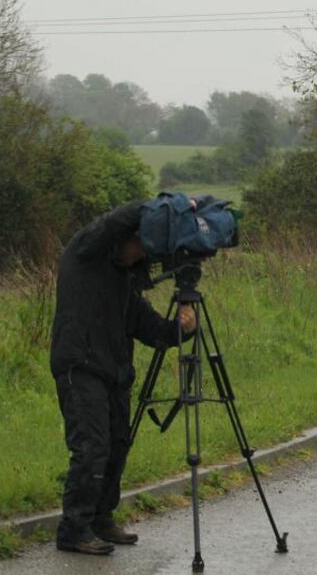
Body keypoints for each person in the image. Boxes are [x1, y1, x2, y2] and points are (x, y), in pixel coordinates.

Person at [50, 200, 197, 555]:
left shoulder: (125, 282)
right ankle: (74, 528)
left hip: (114, 371)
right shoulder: (86, 254)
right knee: (91, 446)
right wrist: (170, 206)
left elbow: (153, 331)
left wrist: (184, 327)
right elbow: (114, 220)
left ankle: (100, 519)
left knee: (118, 442)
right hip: (80, 364)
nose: (141, 255)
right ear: (125, 238)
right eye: (140, 245)